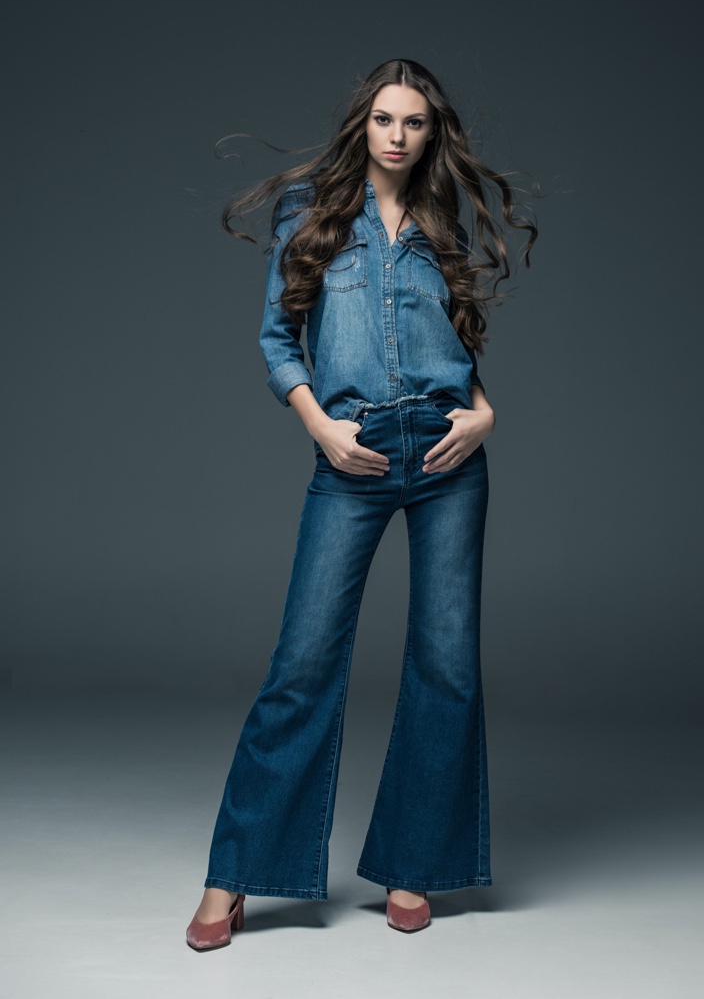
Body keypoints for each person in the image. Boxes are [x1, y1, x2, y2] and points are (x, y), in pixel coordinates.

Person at [186, 58, 536, 949]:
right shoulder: (309, 211)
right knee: (303, 663)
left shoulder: (438, 219)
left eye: (414, 122)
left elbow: (454, 340)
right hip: (354, 451)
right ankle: (235, 875)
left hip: (452, 453)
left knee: (447, 665)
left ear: (431, 134)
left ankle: (414, 865)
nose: (397, 134)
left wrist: (487, 409)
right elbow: (277, 338)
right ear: (363, 124)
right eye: (385, 117)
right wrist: (323, 429)